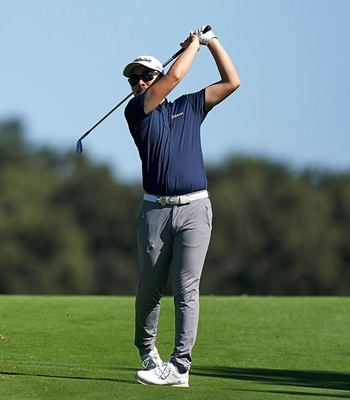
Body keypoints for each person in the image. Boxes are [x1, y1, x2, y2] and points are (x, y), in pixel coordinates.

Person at [122, 26, 240, 387]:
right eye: (134, 79)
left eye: (145, 76)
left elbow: (231, 81)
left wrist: (212, 41)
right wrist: (193, 46)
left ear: (154, 75)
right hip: (155, 211)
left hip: (195, 210)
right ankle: (148, 351)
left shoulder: (190, 106)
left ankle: (179, 367)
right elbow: (173, 77)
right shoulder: (136, 112)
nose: (139, 83)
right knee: (151, 288)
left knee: (187, 287)